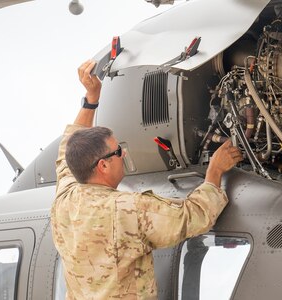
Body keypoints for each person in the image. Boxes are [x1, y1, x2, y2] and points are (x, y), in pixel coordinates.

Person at [50, 59, 243, 299]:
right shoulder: (129, 210)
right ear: (102, 165)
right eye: (118, 151)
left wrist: (92, 98)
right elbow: (191, 217)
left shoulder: (65, 200)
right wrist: (214, 171)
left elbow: (69, 145)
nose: (125, 153)